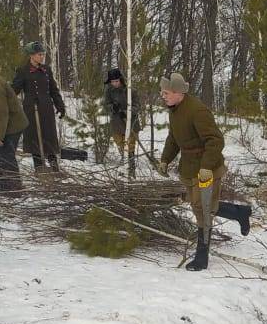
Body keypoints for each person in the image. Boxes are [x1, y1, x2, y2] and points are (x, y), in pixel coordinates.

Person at [156, 72, 251, 271]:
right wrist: (165, 160)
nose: (162, 96)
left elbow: (216, 141)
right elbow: (174, 139)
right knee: (200, 205)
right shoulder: (174, 109)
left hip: (207, 168)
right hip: (189, 167)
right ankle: (240, 212)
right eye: (162, 92)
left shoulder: (198, 111)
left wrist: (206, 168)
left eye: (166, 92)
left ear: (177, 92)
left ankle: (202, 256)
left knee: (203, 209)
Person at [11, 41, 66, 173]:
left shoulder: (47, 69)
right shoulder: (23, 71)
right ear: (31, 56)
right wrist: (6, 94)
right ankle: (39, 168)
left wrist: (60, 105)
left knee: (49, 136)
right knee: (34, 138)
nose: (42, 57)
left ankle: (54, 168)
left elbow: (53, 89)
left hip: (46, 108)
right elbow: (15, 90)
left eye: (43, 54)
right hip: (31, 108)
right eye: (39, 54)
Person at [103, 68, 142, 157]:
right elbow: (106, 105)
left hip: (131, 122)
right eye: (112, 81)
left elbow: (137, 106)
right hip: (116, 123)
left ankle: (131, 164)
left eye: (116, 81)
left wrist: (126, 112)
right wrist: (113, 107)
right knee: (120, 144)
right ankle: (124, 160)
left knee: (130, 146)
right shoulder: (108, 91)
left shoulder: (131, 90)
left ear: (120, 80)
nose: (115, 83)